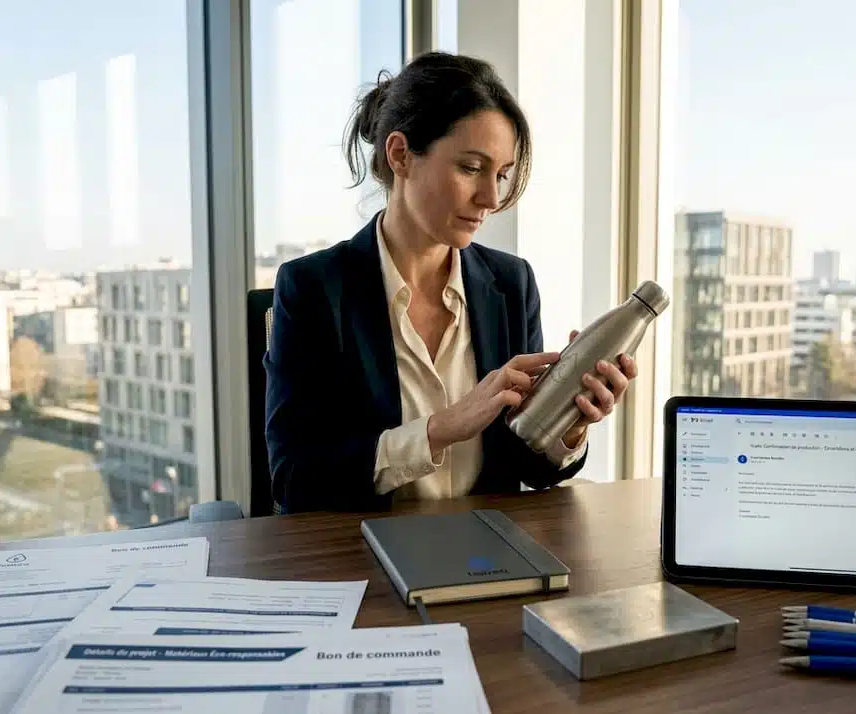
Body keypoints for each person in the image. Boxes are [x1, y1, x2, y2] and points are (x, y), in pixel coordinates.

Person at [264, 51, 638, 513]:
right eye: (471, 168)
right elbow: (295, 479)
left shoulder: (510, 284)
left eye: (501, 174)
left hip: (486, 560)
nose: (492, 198)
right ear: (400, 155)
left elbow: (531, 469)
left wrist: (568, 423)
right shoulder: (314, 289)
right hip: (360, 557)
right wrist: (442, 427)